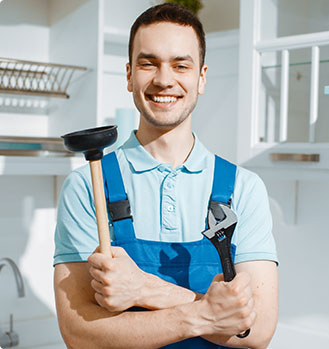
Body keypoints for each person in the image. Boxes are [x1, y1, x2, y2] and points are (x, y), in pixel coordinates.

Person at [54, 3, 278, 348]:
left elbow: (257, 331)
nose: (163, 79)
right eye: (148, 63)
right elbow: (80, 335)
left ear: (201, 78)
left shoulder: (243, 189)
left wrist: (145, 289)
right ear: (129, 75)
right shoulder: (88, 186)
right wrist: (206, 314)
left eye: (180, 65)